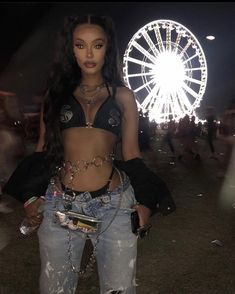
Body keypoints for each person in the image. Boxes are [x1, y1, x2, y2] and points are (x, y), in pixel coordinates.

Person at [6, 15, 175, 294]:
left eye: (97, 45)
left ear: (107, 48)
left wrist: (145, 202)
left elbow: (131, 153)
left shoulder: (122, 96)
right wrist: (32, 196)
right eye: (80, 45)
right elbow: (42, 150)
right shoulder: (56, 95)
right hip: (61, 206)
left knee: (119, 290)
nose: (88, 53)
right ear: (70, 49)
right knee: (54, 289)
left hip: (114, 205)